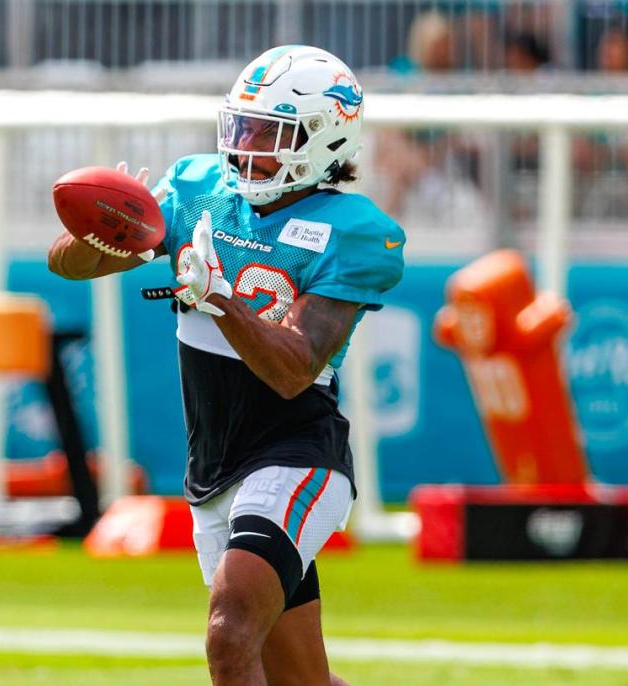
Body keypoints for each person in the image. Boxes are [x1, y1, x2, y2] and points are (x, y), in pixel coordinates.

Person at [48, 46, 404, 686]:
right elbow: (68, 264)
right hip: (213, 464)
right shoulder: (195, 188)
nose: (247, 147)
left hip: (295, 452)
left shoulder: (352, 230)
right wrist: (105, 232)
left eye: (270, 133)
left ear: (324, 139)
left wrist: (222, 302)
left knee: (229, 633)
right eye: (242, 127)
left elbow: (295, 368)